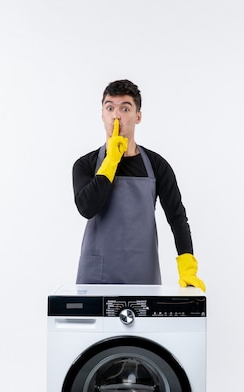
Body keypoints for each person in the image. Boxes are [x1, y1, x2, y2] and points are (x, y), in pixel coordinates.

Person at [72, 79, 205, 290]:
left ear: (138, 116)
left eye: (125, 108)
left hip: (142, 276)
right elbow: (87, 208)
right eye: (110, 108)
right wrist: (110, 161)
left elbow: (177, 217)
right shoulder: (85, 164)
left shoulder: (156, 165)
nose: (116, 115)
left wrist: (187, 268)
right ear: (102, 114)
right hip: (96, 278)